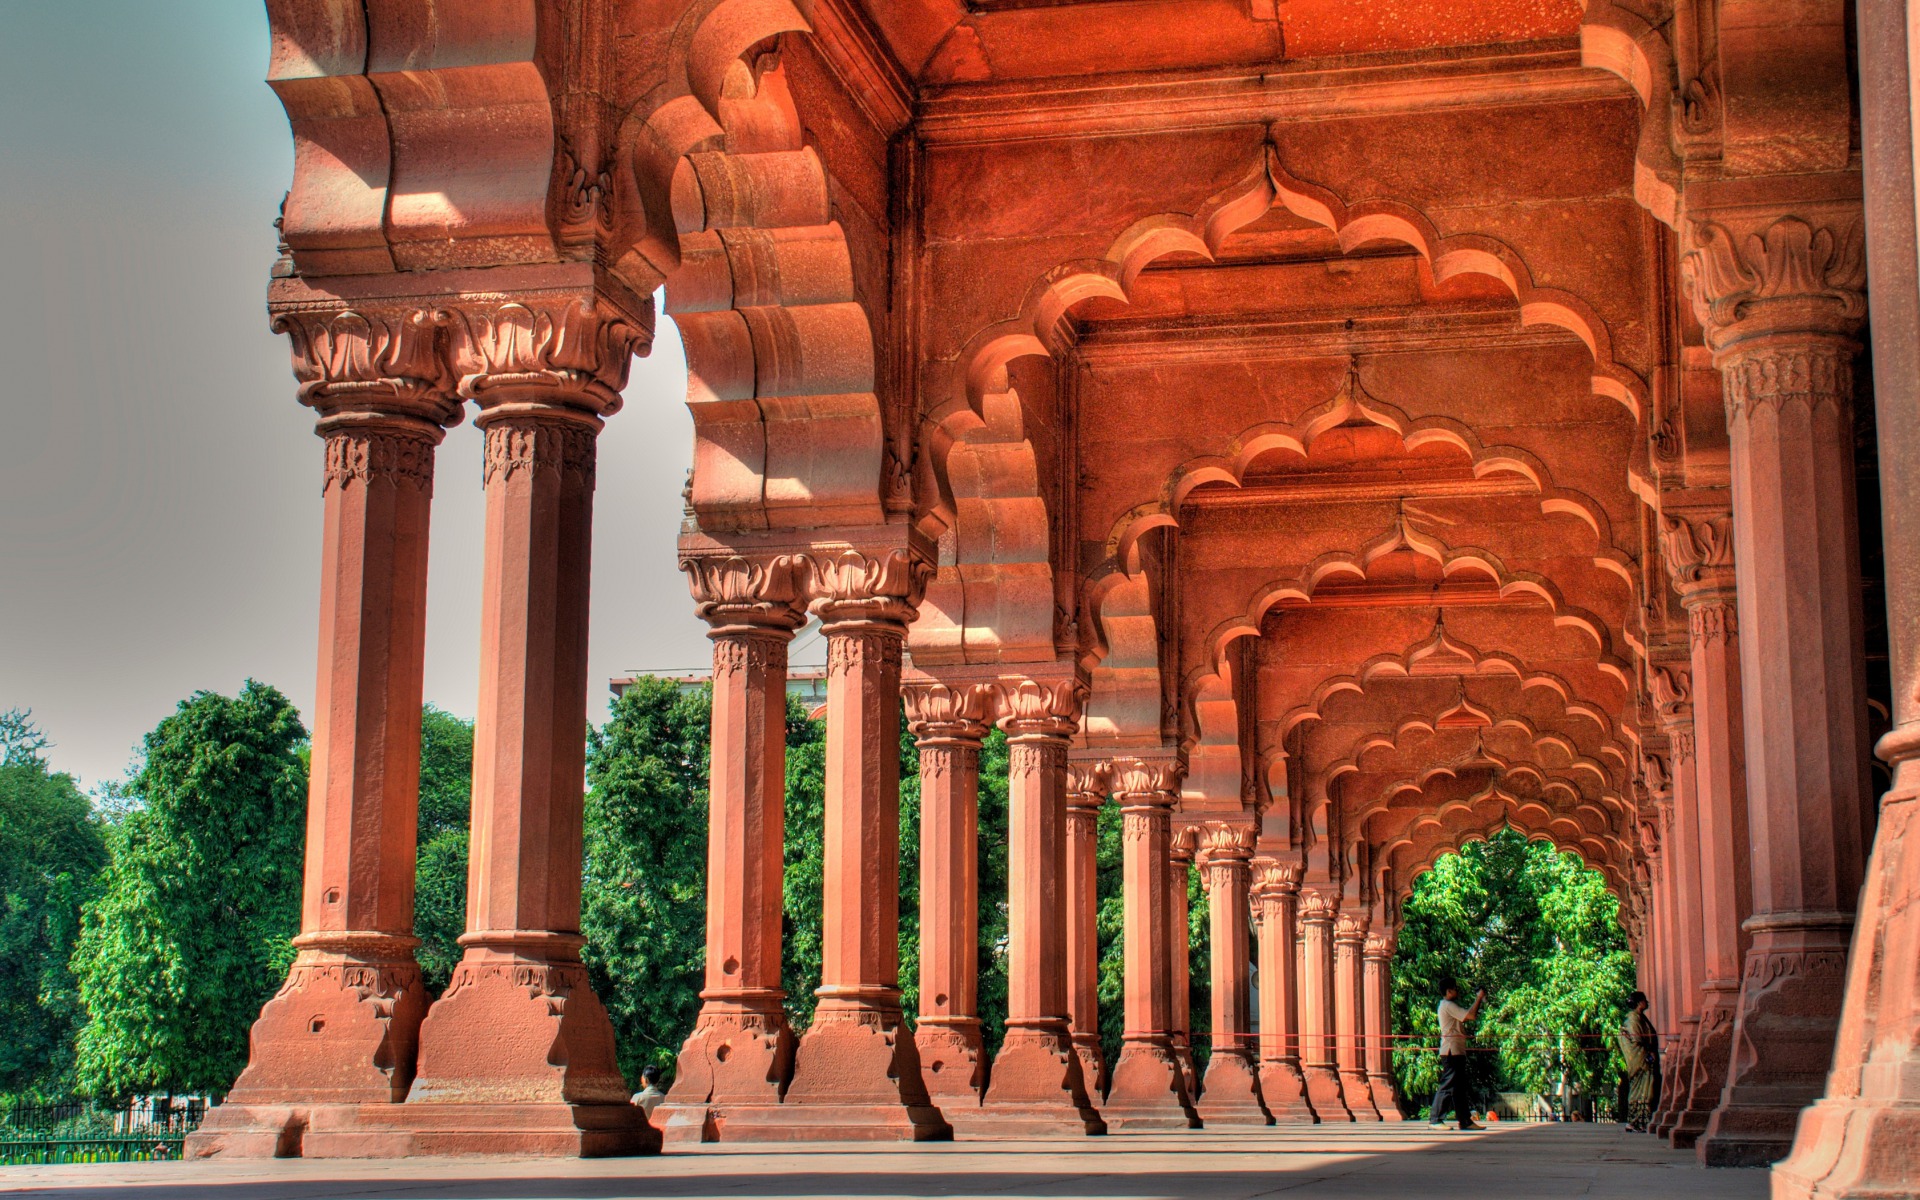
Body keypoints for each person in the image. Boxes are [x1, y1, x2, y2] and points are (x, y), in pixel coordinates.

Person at [1429, 980, 1485, 1131]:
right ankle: (1435, 1119)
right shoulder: (1448, 1005)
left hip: (1456, 1050)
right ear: (1448, 991)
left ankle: (1465, 1120)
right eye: (1454, 989)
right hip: (1451, 1051)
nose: (1457, 991)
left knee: (1459, 1087)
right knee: (1448, 1084)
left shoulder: (1446, 1005)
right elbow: (1471, 1015)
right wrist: (1479, 998)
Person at [1615, 991, 1660, 1132]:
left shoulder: (1640, 1018)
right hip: (1641, 1061)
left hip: (1645, 1059)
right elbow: (1637, 1040)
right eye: (1644, 1000)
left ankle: (1640, 1122)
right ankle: (1635, 1122)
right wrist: (1649, 1052)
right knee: (1641, 1091)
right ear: (1639, 1003)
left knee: (1647, 1091)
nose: (1647, 1003)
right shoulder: (1634, 1020)